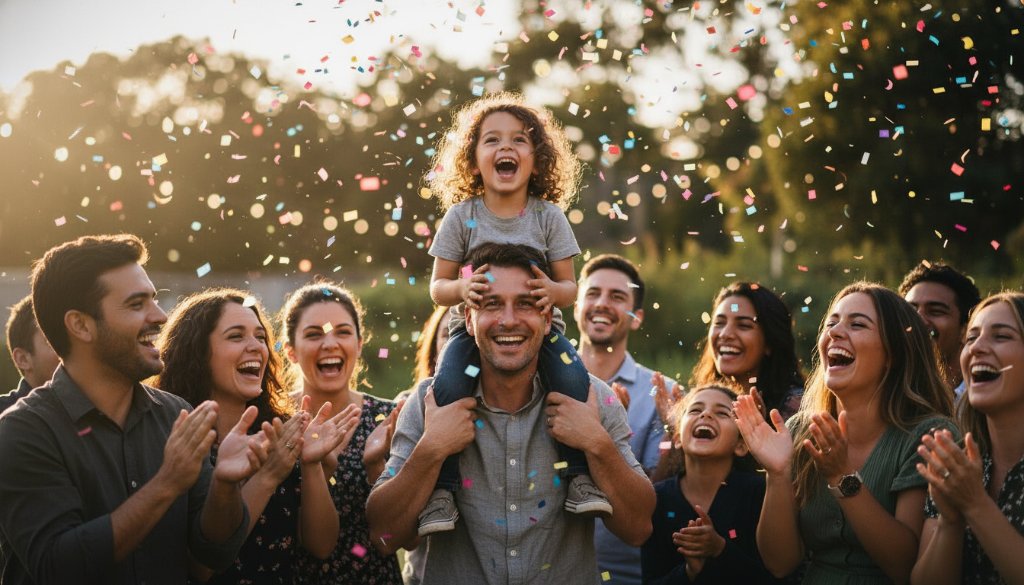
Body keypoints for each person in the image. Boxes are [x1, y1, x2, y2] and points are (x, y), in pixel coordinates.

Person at [366, 243, 655, 585]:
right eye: (491, 305)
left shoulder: (593, 399)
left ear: (548, 319)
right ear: (469, 322)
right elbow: (384, 537)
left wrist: (597, 444)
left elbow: (638, 529)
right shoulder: (429, 403)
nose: (508, 320)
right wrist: (431, 449)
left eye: (525, 304)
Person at [0, 234, 264, 584]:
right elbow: (57, 566)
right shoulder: (22, 431)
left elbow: (214, 553)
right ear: (80, 325)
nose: (160, 316)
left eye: (153, 300)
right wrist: (166, 483)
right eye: (137, 304)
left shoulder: (175, 415)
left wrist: (224, 487)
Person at [422, 92, 602, 536]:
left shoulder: (548, 217)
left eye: (519, 140)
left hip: (542, 330)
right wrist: (462, 288)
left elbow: (570, 287)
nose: (506, 148)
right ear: (473, 160)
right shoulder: (460, 216)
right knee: (447, 387)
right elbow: (437, 288)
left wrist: (550, 290)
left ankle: (580, 478)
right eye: (492, 140)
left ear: (536, 161)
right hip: (472, 332)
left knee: (575, 383)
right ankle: (441, 491)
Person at [734, 282, 957, 585]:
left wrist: (842, 478)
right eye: (832, 323)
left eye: (857, 324)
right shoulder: (800, 430)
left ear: (893, 353)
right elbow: (780, 563)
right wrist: (778, 474)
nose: (835, 333)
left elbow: (905, 567)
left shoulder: (929, 435)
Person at [155, 288, 361, 584]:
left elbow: (321, 546)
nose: (256, 347)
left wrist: (313, 465)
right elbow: (201, 568)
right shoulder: (174, 438)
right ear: (197, 351)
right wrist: (268, 476)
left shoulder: (281, 431)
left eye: (261, 337)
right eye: (236, 336)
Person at [279, 282, 403, 585]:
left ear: (360, 344)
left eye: (343, 332)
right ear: (291, 351)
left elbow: (399, 538)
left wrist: (377, 469)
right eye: (314, 334)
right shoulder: (274, 422)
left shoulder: (390, 419)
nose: (330, 343)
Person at [573, 253, 681, 585]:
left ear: (636, 317)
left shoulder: (662, 393)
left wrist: (672, 433)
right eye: (593, 293)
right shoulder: (541, 379)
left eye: (617, 297)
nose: (602, 303)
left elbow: (656, 495)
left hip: (626, 575)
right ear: (576, 307)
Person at [911, 292, 1024, 585]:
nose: (977, 349)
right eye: (971, 339)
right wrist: (950, 521)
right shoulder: (960, 461)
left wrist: (975, 505)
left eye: (1001, 336)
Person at [642, 384, 778, 585]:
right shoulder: (658, 498)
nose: (705, 415)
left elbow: (775, 575)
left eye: (722, 413)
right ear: (678, 438)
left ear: (741, 444)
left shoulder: (760, 493)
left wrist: (720, 549)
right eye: (695, 410)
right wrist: (690, 572)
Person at [691, 282, 804, 421]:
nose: (725, 334)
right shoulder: (702, 402)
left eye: (743, 325)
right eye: (719, 323)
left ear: (770, 341)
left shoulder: (797, 409)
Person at [402, 306, 451, 585]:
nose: (458, 343)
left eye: (464, 333)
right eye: (448, 334)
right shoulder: (409, 407)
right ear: (433, 347)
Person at [898, 260, 981, 396]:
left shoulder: (986, 400)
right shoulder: (882, 397)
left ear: (965, 330)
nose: (918, 320)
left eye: (935, 311)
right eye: (910, 311)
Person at [1, 295, 61, 412]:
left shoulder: (98, 411)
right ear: (23, 359)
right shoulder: (6, 419)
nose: (67, 349)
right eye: (53, 341)